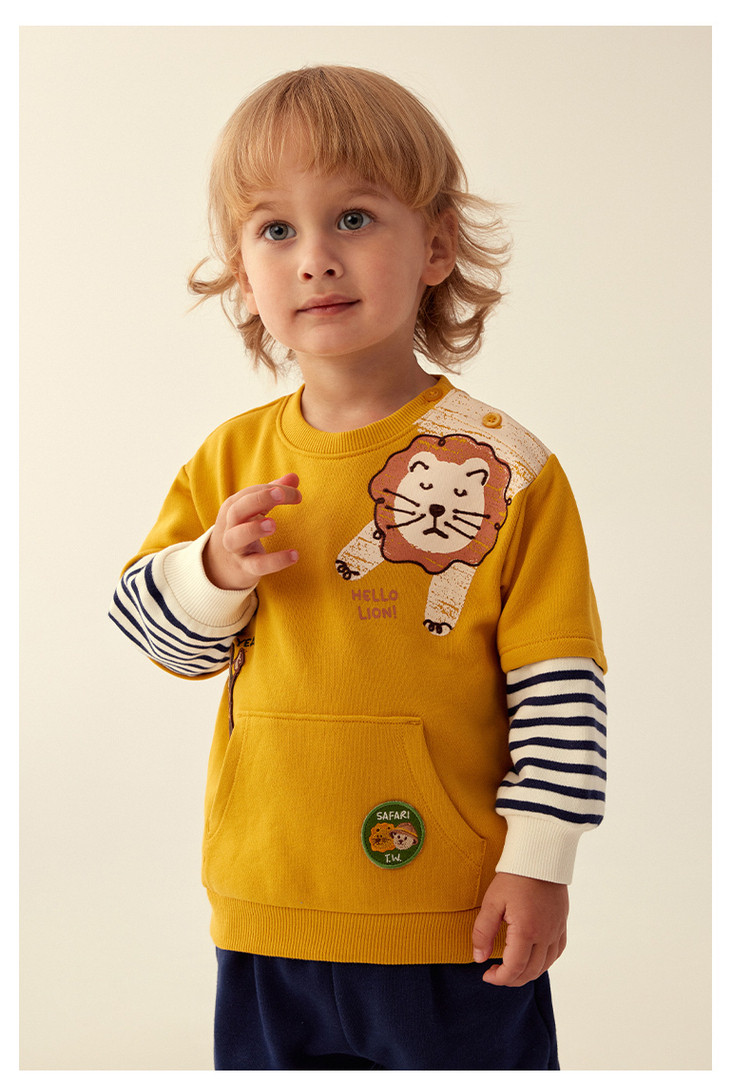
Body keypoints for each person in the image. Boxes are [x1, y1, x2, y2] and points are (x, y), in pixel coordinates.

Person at [109, 65, 607, 1070]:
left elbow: (560, 684)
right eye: (275, 229)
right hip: (267, 906)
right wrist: (213, 572)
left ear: (437, 247)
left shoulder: (508, 465)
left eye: (353, 217)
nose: (316, 259)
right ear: (242, 269)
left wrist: (542, 862)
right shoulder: (230, 460)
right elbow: (157, 638)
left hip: (449, 916)